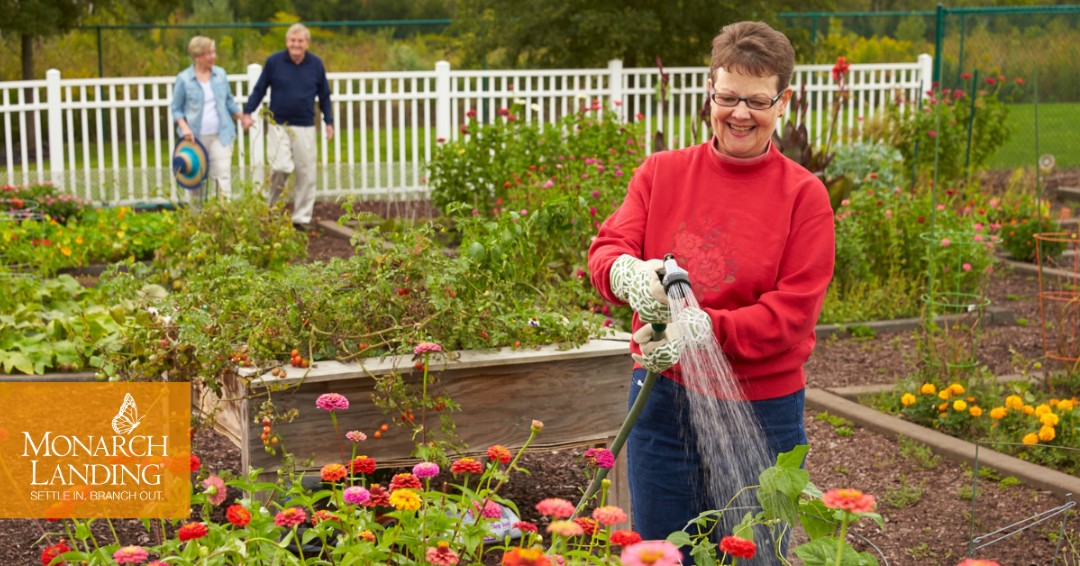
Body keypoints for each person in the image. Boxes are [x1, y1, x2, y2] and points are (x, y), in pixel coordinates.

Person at [587, 21, 835, 563]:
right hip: (662, 400)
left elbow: (791, 315)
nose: (740, 113)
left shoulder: (803, 196)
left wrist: (704, 329)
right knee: (660, 551)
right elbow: (606, 250)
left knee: (752, 554)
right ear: (709, 91)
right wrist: (629, 275)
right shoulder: (661, 174)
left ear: (783, 100)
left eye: (756, 100)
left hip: (762, 411)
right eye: (727, 96)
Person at [242, 23, 334, 230]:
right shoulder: (275, 62)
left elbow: (325, 96)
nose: (296, 45)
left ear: (306, 43)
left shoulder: (316, 64)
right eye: (292, 41)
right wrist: (248, 112)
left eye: (300, 41)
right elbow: (259, 89)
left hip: (304, 126)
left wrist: (329, 122)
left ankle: (301, 219)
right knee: (280, 167)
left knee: (306, 173)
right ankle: (271, 210)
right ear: (287, 42)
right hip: (278, 124)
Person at [171, 36, 242, 201]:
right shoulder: (184, 79)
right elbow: (176, 108)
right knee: (197, 182)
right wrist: (185, 127)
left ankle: (224, 217)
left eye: (213, 52)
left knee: (222, 178)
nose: (213, 56)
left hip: (221, 135)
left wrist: (241, 116)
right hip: (195, 138)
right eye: (208, 53)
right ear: (197, 57)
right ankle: (198, 222)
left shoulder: (220, 74)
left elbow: (228, 101)